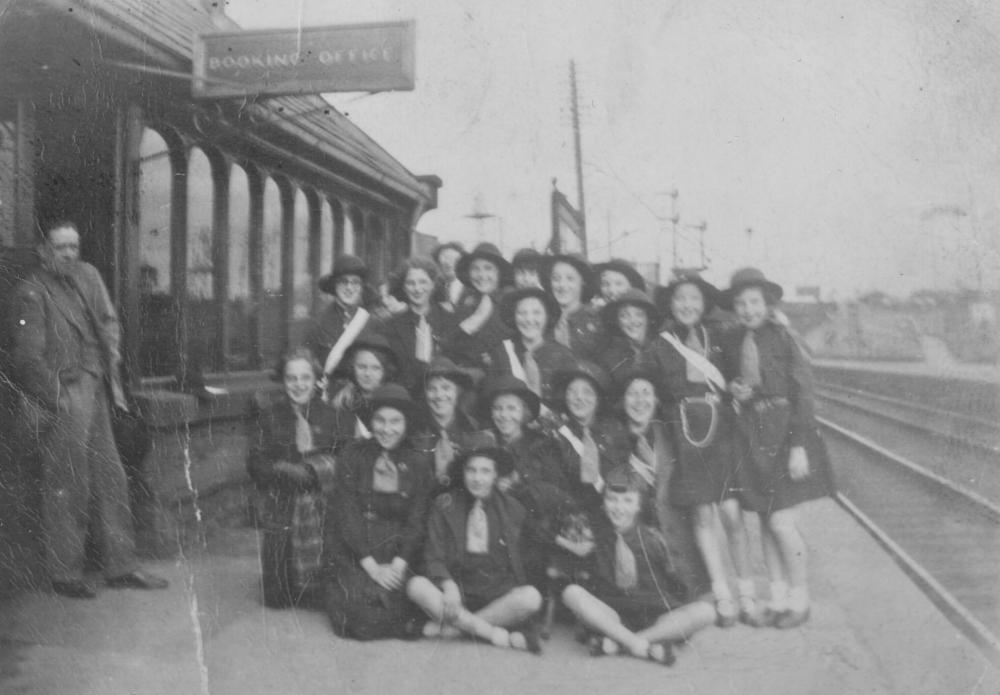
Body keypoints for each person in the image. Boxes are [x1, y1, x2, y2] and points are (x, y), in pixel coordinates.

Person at [8, 220, 168, 598]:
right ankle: (66, 572)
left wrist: (109, 360)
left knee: (111, 476)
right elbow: (26, 358)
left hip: (97, 385)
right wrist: (57, 396)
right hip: (65, 391)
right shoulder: (32, 291)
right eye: (60, 246)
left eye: (73, 246)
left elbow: (109, 322)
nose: (68, 253)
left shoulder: (89, 276)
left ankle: (121, 565)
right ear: (45, 250)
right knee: (67, 482)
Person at [720, 267, 835, 629]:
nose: (747, 309)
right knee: (766, 521)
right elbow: (734, 382)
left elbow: (803, 392)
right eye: (740, 304)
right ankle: (779, 596)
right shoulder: (734, 340)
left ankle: (800, 599)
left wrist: (799, 445)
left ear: (768, 304)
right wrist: (737, 390)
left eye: (754, 302)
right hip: (753, 436)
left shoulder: (784, 338)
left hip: (785, 435)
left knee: (783, 522)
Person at [657, 272, 758, 627]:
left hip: (721, 432)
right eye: (680, 299)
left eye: (694, 299)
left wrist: (739, 389)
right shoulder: (662, 344)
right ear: (671, 304)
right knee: (702, 515)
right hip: (686, 436)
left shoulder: (722, 337)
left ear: (703, 305)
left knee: (731, 514)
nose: (687, 305)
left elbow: (739, 376)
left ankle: (746, 592)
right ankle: (722, 593)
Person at [560, 467, 715, 665]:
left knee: (706, 611)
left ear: (639, 505)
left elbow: (675, 582)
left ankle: (622, 644)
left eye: (627, 501)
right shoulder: (593, 533)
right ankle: (638, 643)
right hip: (612, 616)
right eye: (612, 499)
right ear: (604, 502)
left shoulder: (652, 538)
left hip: (655, 616)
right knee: (571, 593)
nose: (618, 507)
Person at [407, 447, 543, 653]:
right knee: (416, 585)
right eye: (471, 470)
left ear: (496, 474)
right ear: (463, 473)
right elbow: (433, 556)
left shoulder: (513, 509)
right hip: (456, 593)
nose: (477, 479)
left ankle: (455, 630)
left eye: (485, 471)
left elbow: (522, 561)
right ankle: (493, 634)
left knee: (531, 597)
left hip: (495, 594)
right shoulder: (445, 505)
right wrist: (449, 585)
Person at [324, 384, 434, 640]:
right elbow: (347, 513)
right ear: (371, 422)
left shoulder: (418, 462)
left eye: (395, 421)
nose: (387, 429)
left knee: (398, 603)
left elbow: (417, 518)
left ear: (406, 424)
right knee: (358, 618)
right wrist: (372, 568)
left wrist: (398, 565)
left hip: (398, 550)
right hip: (357, 549)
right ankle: (422, 629)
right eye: (380, 420)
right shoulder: (353, 455)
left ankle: (419, 625)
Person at [247, 347, 338, 607]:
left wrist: (313, 470)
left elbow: (346, 459)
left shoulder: (332, 415)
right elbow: (255, 461)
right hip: (284, 501)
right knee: (278, 598)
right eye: (292, 378)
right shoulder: (270, 415)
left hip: (322, 502)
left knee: (323, 593)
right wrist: (280, 469)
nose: (299, 385)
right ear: (283, 381)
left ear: (316, 380)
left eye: (305, 378)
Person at [617, 370, 709, 599]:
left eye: (646, 393)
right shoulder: (614, 439)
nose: (639, 401)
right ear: (622, 401)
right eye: (632, 394)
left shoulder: (672, 433)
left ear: (656, 400)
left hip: (678, 535)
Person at [410, 356, 493, 496]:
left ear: (457, 391)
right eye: (432, 389)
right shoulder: (414, 431)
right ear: (425, 394)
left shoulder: (475, 430)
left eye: (446, 388)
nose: (439, 395)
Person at [379, 257, 459, 394]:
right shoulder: (391, 326)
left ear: (433, 284)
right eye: (411, 283)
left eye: (423, 282)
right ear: (403, 286)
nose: (417, 289)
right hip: (407, 398)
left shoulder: (449, 320)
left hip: (442, 396)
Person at [488, 286, 576, 402]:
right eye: (522, 313)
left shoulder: (562, 355)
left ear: (547, 316)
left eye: (536, 313)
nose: (529, 319)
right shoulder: (502, 352)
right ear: (513, 316)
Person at [327, 331, 400, 447]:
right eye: (361, 367)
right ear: (352, 367)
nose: (367, 374)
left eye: (375, 368)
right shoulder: (344, 401)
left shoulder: (394, 401)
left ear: (385, 371)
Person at [451, 242, 515, 374]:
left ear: (499, 273)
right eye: (475, 269)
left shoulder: (510, 300)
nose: (481, 275)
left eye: (488, 268)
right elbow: (451, 344)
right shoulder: (465, 302)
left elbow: (495, 338)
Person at [304, 255, 372, 375]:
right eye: (343, 282)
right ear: (334, 286)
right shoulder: (318, 324)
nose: (349, 288)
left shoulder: (371, 322)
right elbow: (307, 366)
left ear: (361, 288)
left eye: (355, 282)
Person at [598, 287, 672, 390]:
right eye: (625, 316)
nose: (632, 321)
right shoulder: (609, 357)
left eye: (639, 314)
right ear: (617, 321)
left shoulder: (664, 349)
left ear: (648, 318)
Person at [543, 253, 606, 362]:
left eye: (570, 279)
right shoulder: (543, 318)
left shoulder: (597, 321)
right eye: (556, 278)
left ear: (582, 281)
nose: (562, 285)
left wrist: (565, 349)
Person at [432, 241, 466, 312]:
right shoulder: (433, 287)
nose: (448, 263)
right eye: (445, 259)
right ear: (438, 263)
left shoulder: (470, 287)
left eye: (454, 259)